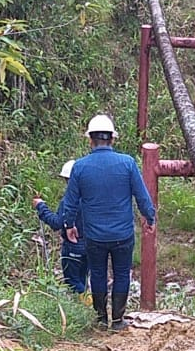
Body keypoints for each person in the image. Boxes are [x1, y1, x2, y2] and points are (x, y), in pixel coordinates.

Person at [56, 114, 156, 331]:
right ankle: (118, 320)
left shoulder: (80, 167)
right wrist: (149, 217)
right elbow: (142, 196)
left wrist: (69, 225)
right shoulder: (127, 163)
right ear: (112, 139)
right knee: (121, 273)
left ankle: (101, 319)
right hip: (122, 235)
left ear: (90, 140)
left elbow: (70, 202)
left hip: (94, 236)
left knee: (98, 273)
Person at [32, 160, 88, 294]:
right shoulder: (91, 198)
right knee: (82, 279)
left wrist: (41, 207)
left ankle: (88, 305)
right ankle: (89, 304)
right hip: (90, 245)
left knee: (73, 282)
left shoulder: (70, 200)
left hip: (73, 246)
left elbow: (57, 223)